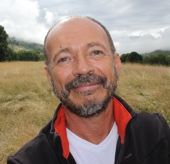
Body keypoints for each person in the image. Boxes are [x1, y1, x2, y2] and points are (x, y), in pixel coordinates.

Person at [7, 16, 170, 164]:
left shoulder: (156, 131)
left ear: (116, 65)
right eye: (64, 59)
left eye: (95, 52)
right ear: (50, 76)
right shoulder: (27, 161)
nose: (83, 69)